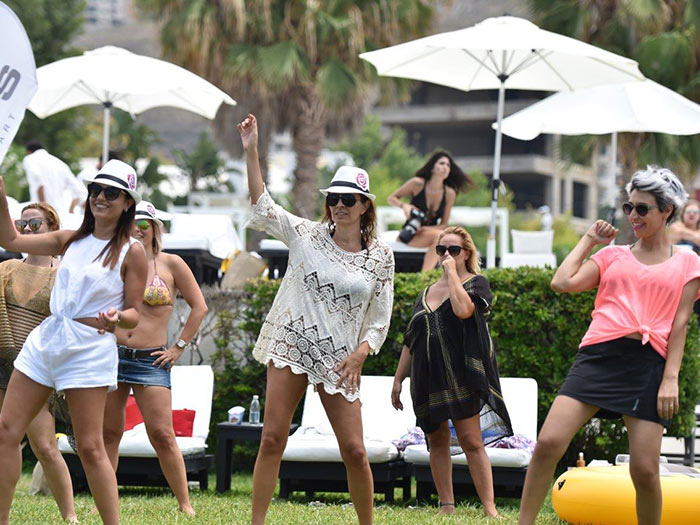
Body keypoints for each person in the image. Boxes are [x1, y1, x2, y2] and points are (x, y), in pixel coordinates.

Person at [518, 166, 700, 525]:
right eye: (629, 207)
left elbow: (680, 324)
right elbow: (562, 281)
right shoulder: (613, 255)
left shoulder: (688, 262)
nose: (633, 216)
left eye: (642, 208)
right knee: (549, 443)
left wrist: (670, 378)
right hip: (599, 357)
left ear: (667, 210)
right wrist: (589, 239)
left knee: (645, 470)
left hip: (648, 364)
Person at [238, 114, 394, 525]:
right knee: (272, 438)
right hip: (291, 344)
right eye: (334, 199)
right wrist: (252, 150)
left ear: (365, 206)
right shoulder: (305, 234)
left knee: (355, 451)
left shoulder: (381, 256)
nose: (339, 205)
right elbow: (263, 205)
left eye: (349, 200)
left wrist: (361, 354)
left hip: (340, 358)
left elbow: (380, 319)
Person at [0, 159, 148, 525]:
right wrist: (1, 196)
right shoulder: (70, 239)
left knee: (91, 448)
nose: (100, 197)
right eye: (95, 190)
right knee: (6, 430)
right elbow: (10, 240)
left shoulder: (132, 251)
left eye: (111, 192)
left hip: (89, 348)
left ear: (127, 202)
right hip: (47, 340)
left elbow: (134, 313)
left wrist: (117, 318)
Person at [391, 226, 512, 517]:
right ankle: (446, 505)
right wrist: (398, 380)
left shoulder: (476, 284)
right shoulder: (426, 292)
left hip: (461, 375)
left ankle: (489, 508)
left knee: (471, 440)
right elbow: (411, 339)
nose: (446, 255)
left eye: (453, 250)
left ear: (466, 254)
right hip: (427, 377)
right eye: (441, 249)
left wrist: (453, 276)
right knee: (437, 440)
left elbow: (463, 310)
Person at [102, 200, 207, 516]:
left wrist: (178, 347)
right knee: (109, 433)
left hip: (151, 360)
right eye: (131, 223)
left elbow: (199, 307)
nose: (137, 228)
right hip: (113, 355)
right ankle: (103, 503)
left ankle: (185, 504)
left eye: (144, 223)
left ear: (155, 228)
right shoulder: (114, 262)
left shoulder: (171, 264)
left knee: (162, 434)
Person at [0, 203, 76, 523]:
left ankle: (69, 515)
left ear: (52, 228)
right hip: (2, 364)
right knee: (5, 440)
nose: (27, 230)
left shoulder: (63, 274)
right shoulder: (6, 268)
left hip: (37, 370)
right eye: (22, 225)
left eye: (35, 224)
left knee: (44, 446)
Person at [387, 152, 471, 271]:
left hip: (431, 233)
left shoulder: (449, 193)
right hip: (410, 234)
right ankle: (425, 276)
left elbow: (444, 224)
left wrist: (424, 229)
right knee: (440, 237)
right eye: (441, 163)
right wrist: (404, 206)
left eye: (448, 165)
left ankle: (447, 274)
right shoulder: (417, 184)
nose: (445, 167)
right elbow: (391, 198)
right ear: (432, 167)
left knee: (451, 237)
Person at [22, 141, 85, 214]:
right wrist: (72, 210)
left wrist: (44, 209)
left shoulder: (30, 159)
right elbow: (78, 188)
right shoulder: (60, 163)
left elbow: (39, 184)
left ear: (28, 151)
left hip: (40, 212)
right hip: (59, 212)